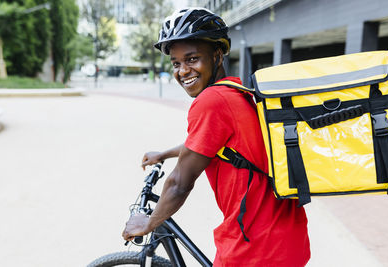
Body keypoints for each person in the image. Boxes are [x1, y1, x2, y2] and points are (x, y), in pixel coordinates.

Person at [122, 7, 310, 266]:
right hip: (285, 235)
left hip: (254, 248)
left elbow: (179, 183)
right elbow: (211, 143)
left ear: (217, 55)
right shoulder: (236, 92)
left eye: (192, 59)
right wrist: (165, 153)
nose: (183, 71)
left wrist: (149, 222)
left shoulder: (211, 101)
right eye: (176, 63)